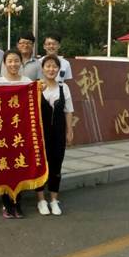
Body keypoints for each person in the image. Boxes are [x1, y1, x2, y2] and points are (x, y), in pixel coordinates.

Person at [0, 49, 32, 219]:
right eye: (9, 61)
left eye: (16, 61)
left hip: (21, 132)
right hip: (3, 132)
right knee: (5, 167)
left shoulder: (27, 82)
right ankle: (6, 204)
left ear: (21, 63)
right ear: (4, 63)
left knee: (19, 166)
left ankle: (17, 204)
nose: (13, 64)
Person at [36, 55, 74, 216]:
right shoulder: (36, 87)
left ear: (59, 69)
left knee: (56, 165)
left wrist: (69, 131)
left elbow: (68, 111)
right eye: (48, 66)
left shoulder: (64, 88)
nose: (51, 69)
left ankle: (53, 199)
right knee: (40, 166)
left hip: (58, 133)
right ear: (42, 68)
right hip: (40, 134)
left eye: (54, 66)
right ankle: (41, 200)